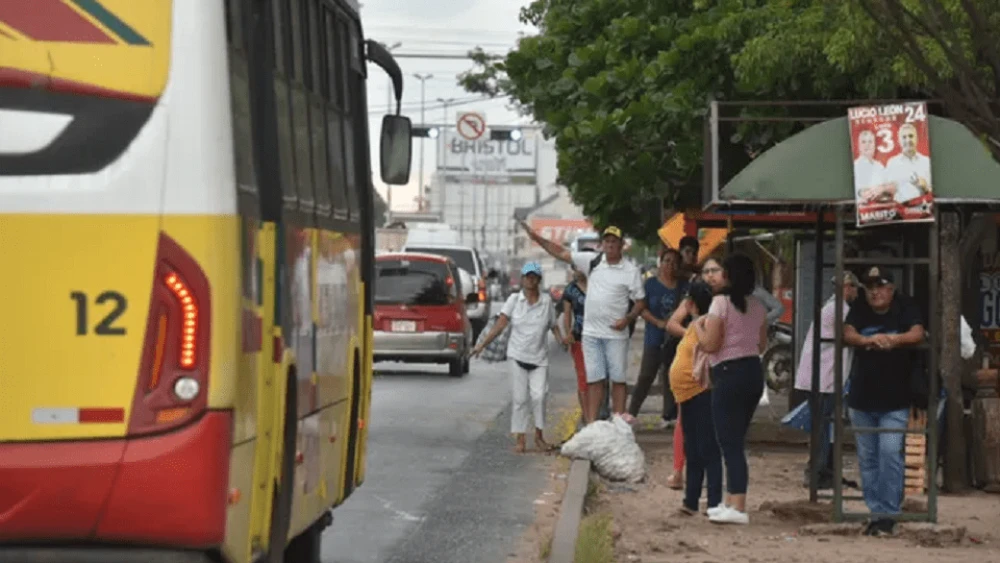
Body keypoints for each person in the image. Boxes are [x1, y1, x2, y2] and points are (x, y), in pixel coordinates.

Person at [520, 222, 646, 422]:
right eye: (607, 241)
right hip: (591, 334)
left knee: (618, 380)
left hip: (616, 334)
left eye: (615, 241)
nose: (611, 245)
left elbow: (640, 302)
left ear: (622, 245)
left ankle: (620, 425)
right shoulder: (592, 261)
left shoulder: (631, 271)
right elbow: (560, 253)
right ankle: (593, 425)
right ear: (602, 244)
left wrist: (628, 319)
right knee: (594, 380)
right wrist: (537, 239)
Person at [843, 266, 925, 536]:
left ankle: (889, 512)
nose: (874, 292)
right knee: (868, 458)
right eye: (870, 287)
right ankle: (876, 512)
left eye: (880, 286)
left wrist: (893, 340)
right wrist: (867, 339)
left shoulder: (905, 306)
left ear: (891, 288)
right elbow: (847, 333)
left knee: (889, 453)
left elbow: (917, 333)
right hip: (862, 398)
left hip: (895, 398)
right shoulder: (859, 307)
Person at [694, 253, 768, 525]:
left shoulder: (720, 303)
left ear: (728, 275)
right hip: (752, 372)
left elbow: (711, 344)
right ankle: (730, 501)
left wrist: (697, 326)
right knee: (736, 440)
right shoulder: (758, 306)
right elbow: (761, 345)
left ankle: (737, 504)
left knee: (729, 442)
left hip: (728, 373)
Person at [472, 262, 563, 453]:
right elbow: (500, 325)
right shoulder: (514, 300)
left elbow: (553, 325)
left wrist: (562, 340)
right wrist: (482, 345)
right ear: (522, 279)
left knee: (539, 396)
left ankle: (539, 437)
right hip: (517, 356)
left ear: (538, 280)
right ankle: (520, 439)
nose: (530, 280)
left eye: (534, 277)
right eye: (527, 277)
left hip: (539, 358)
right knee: (520, 399)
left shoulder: (546, 302)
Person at [660, 256, 727, 489]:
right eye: (707, 271)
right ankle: (690, 473)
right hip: (698, 373)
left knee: (693, 424)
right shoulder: (705, 312)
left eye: (714, 270)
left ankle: (686, 473)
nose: (710, 275)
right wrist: (694, 332)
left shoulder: (716, 307)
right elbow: (672, 323)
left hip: (700, 372)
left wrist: (696, 333)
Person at [793, 270, 859, 489]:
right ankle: (816, 472)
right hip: (823, 377)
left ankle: (825, 470)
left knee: (825, 425)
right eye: (854, 288)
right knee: (822, 426)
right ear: (847, 288)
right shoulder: (839, 309)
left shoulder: (833, 307)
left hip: (823, 376)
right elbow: (848, 338)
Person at [669, 280, 722, 516]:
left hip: (701, 392)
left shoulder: (706, 323)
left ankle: (713, 501)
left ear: (691, 303)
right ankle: (691, 499)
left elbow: (708, 346)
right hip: (688, 394)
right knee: (693, 447)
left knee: (707, 447)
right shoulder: (695, 323)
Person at [629, 247, 689, 424]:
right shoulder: (650, 285)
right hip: (654, 337)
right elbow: (642, 309)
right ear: (660, 263)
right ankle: (631, 413)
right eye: (666, 261)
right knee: (646, 375)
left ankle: (669, 415)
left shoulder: (684, 286)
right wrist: (658, 322)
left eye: (674, 262)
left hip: (676, 339)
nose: (670, 265)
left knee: (672, 377)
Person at [562, 269, 590, 421]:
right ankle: (587, 416)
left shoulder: (597, 284)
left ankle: (597, 412)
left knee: (598, 378)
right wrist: (568, 334)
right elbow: (567, 315)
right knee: (583, 378)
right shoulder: (570, 290)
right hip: (579, 337)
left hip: (598, 336)